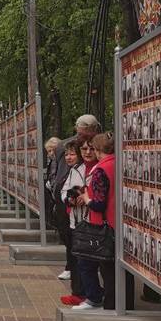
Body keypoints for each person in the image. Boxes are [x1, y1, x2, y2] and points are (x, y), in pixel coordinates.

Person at [74, 133, 116, 310]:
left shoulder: (101, 169)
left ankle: (98, 299)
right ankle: (111, 301)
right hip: (114, 222)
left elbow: (99, 204)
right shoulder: (117, 163)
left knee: (89, 262)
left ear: (98, 150)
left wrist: (86, 197)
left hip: (101, 224)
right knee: (110, 268)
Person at [57, 140, 91, 304]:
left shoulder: (87, 169)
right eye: (66, 154)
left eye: (72, 154)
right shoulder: (73, 170)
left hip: (86, 220)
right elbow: (64, 190)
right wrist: (68, 198)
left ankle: (85, 293)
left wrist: (83, 197)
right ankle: (78, 291)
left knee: (83, 260)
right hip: (74, 219)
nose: (69, 157)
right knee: (76, 257)